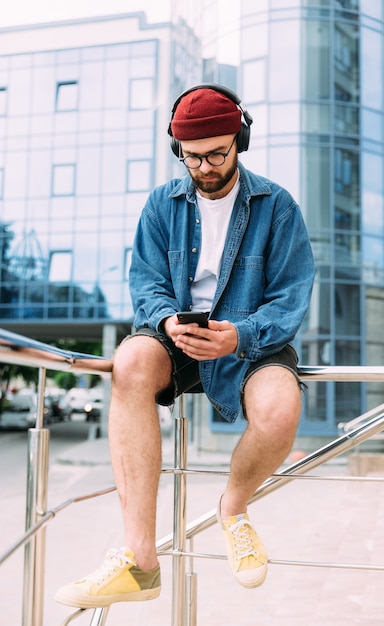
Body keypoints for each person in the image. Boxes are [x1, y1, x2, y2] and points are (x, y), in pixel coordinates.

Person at [55, 84, 315, 609]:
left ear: (240, 139)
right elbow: (145, 283)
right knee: (129, 360)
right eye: (192, 157)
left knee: (281, 409)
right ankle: (139, 560)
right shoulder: (160, 204)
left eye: (218, 152)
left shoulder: (278, 205)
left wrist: (239, 335)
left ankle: (233, 508)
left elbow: (290, 299)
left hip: (251, 339)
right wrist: (169, 321)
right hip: (176, 337)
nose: (205, 167)